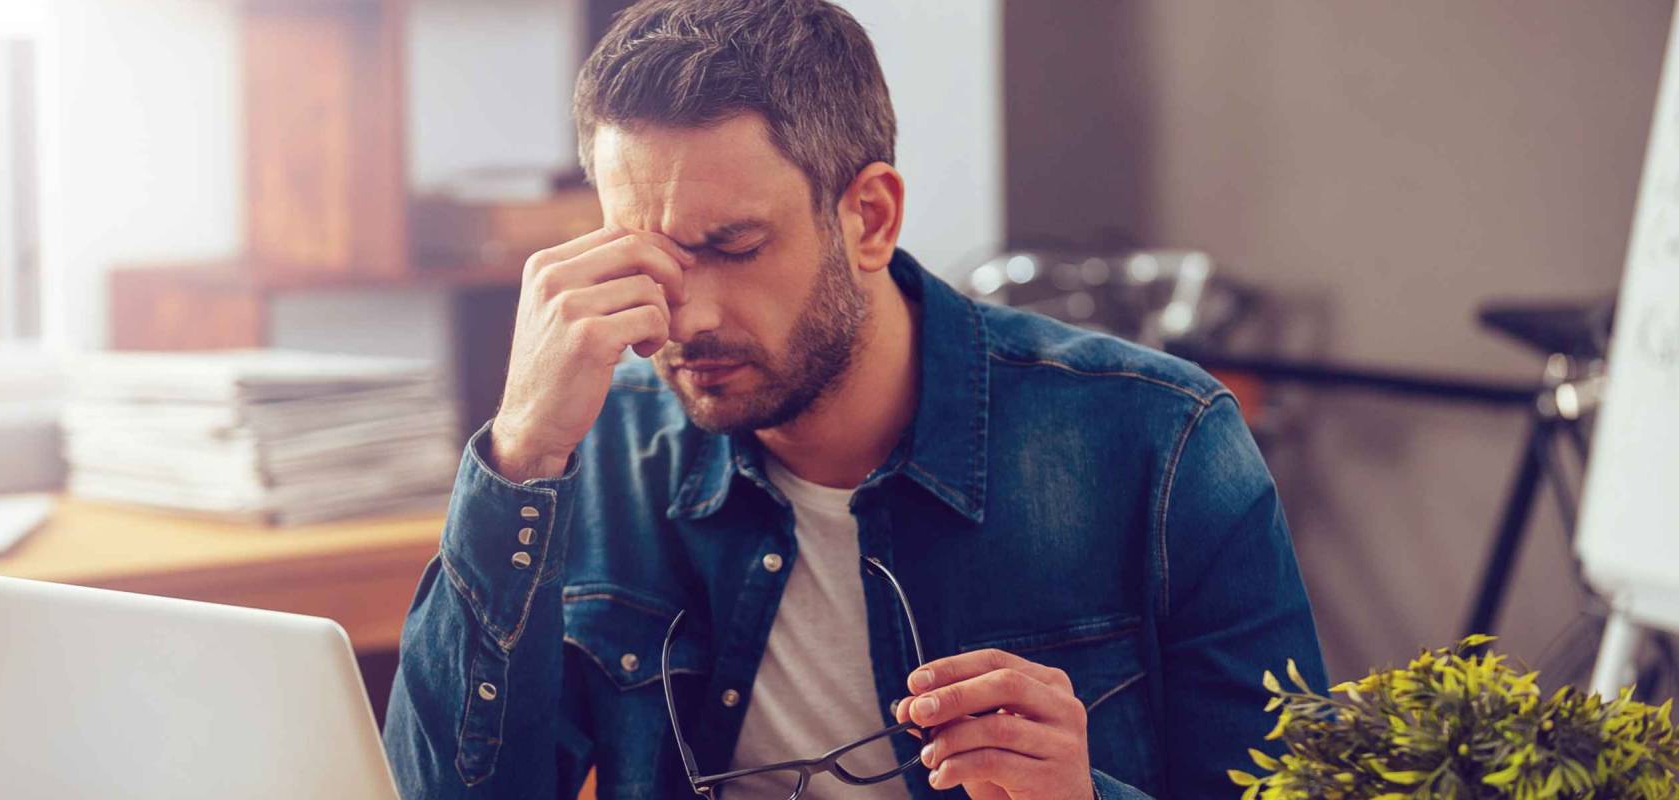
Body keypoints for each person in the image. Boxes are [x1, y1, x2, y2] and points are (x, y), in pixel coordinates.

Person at [383, 1, 1325, 797]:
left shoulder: (1163, 441)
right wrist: (520, 457)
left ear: (869, 217)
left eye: (736, 245)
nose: (687, 314)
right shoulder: (596, 447)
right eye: (652, 255)